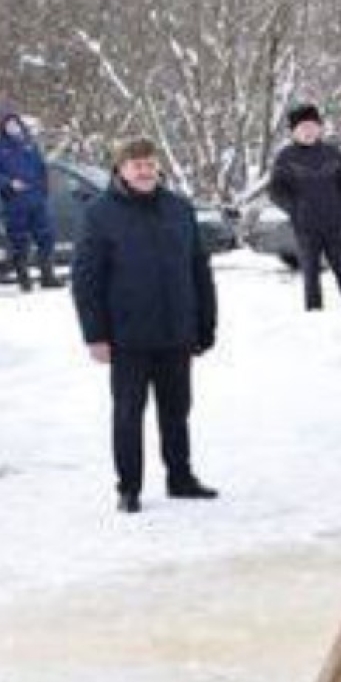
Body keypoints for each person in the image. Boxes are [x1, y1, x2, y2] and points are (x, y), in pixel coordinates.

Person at [71, 138, 219, 514]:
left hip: (175, 331)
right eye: (135, 164)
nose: (144, 170)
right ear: (120, 169)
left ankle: (180, 478)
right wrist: (96, 335)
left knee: (177, 410)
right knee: (128, 413)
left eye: (150, 163)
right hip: (127, 336)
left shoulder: (179, 209)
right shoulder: (100, 214)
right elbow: (86, 279)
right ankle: (129, 487)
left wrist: (205, 324)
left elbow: (198, 269)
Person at [268, 104, 341, 311]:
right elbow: (275, 191)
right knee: (311, 272)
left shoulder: (332, 153)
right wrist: (295, 209)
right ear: (294, 131)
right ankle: (314, 312)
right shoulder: (286, 157)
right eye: (303, 127)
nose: (308, 131)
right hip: (306, 227)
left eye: (312, 126)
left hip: (334, 224)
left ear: (319, 128)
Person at [0, 112, 58, 291]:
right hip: (14, 202)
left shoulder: (30, 145)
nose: (13, 127)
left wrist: (44, 190)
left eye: (15, 124)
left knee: (46, 237)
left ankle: (47, 276)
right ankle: (24, 279)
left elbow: (42, 168)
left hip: (37, 200)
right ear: (3, 128)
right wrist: (9, 183)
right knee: (19, 240)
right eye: (9, 125)